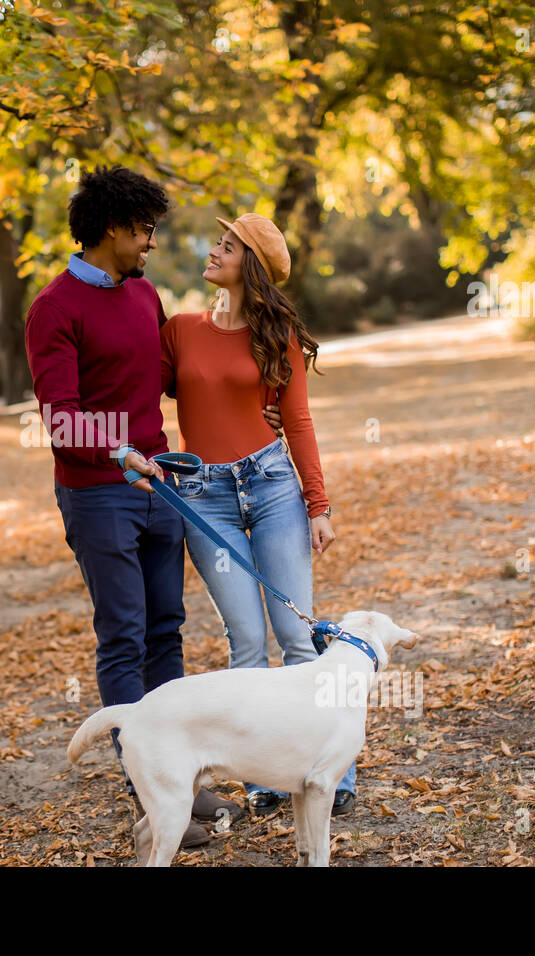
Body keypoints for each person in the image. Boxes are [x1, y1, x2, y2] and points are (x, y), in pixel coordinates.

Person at [26, 165, 249, 849]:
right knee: (124, 635)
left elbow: (162, 382)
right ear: (114, 228)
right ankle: (153, 794)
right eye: (145, 229)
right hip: (99, 495)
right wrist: (120, 451)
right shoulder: (52, 308)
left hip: (161, 490)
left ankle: (177, 777)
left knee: (167, 631)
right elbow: (60, 419)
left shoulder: (143, 295)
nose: (152, 242)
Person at [161, 212, 353, 817]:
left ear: (254, 268)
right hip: (204, 498)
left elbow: (296, 419)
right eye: (218, 242)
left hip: (271, 486)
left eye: (228, 246)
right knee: (246, 642)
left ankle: (332, 779)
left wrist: (317, 504)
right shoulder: (179, 330)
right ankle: (266, 779)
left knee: (299, 637)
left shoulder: (277, 336)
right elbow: (145, 391)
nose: (215, 251)